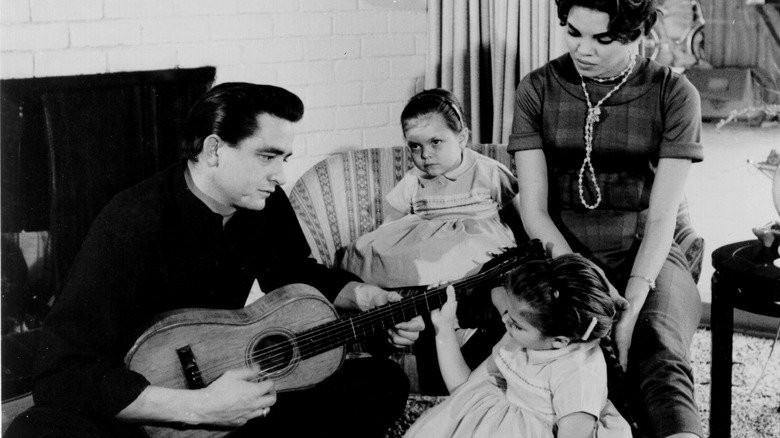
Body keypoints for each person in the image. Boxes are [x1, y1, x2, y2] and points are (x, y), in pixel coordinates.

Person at [6, 83, 424, 438]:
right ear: (213, 150)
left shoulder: (265, 203)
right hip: (146, 407)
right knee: (37, 430)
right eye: (267, 156)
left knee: (380, 383)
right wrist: (201, 408)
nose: (280, 175)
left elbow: (294, 274)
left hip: (227, 386)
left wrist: (364, 296)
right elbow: (62, 372)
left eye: (285, 160)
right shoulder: (132, 218)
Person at [509, 1, 704, 437]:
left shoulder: (675, 94)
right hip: (558, 256)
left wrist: (630, 308)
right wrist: (585, 282)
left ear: (638, 33)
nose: (583, 49)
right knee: (540, 349)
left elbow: (662, 219)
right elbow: (534, 210)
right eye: (574, 32)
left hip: (644, 253)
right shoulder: (536, 88)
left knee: (657, 345)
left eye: (603, 38)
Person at [339, 89, 523, 392]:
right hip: (430, 258)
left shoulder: (488, 172)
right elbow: (389, 227)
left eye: (436, 143)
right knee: (378, 257)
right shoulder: (414, 180)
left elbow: (519, 221)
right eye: (415, 146)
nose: (425, 155)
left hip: (475, 253)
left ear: (462, 137)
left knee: (478, 268)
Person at [404, 253, 632, 438]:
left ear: (560, 341)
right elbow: (464, 393)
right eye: (507, 313)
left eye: (515, 324)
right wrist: (443, 329)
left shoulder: (578, 375)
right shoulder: (521, 340)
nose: (504, 321)